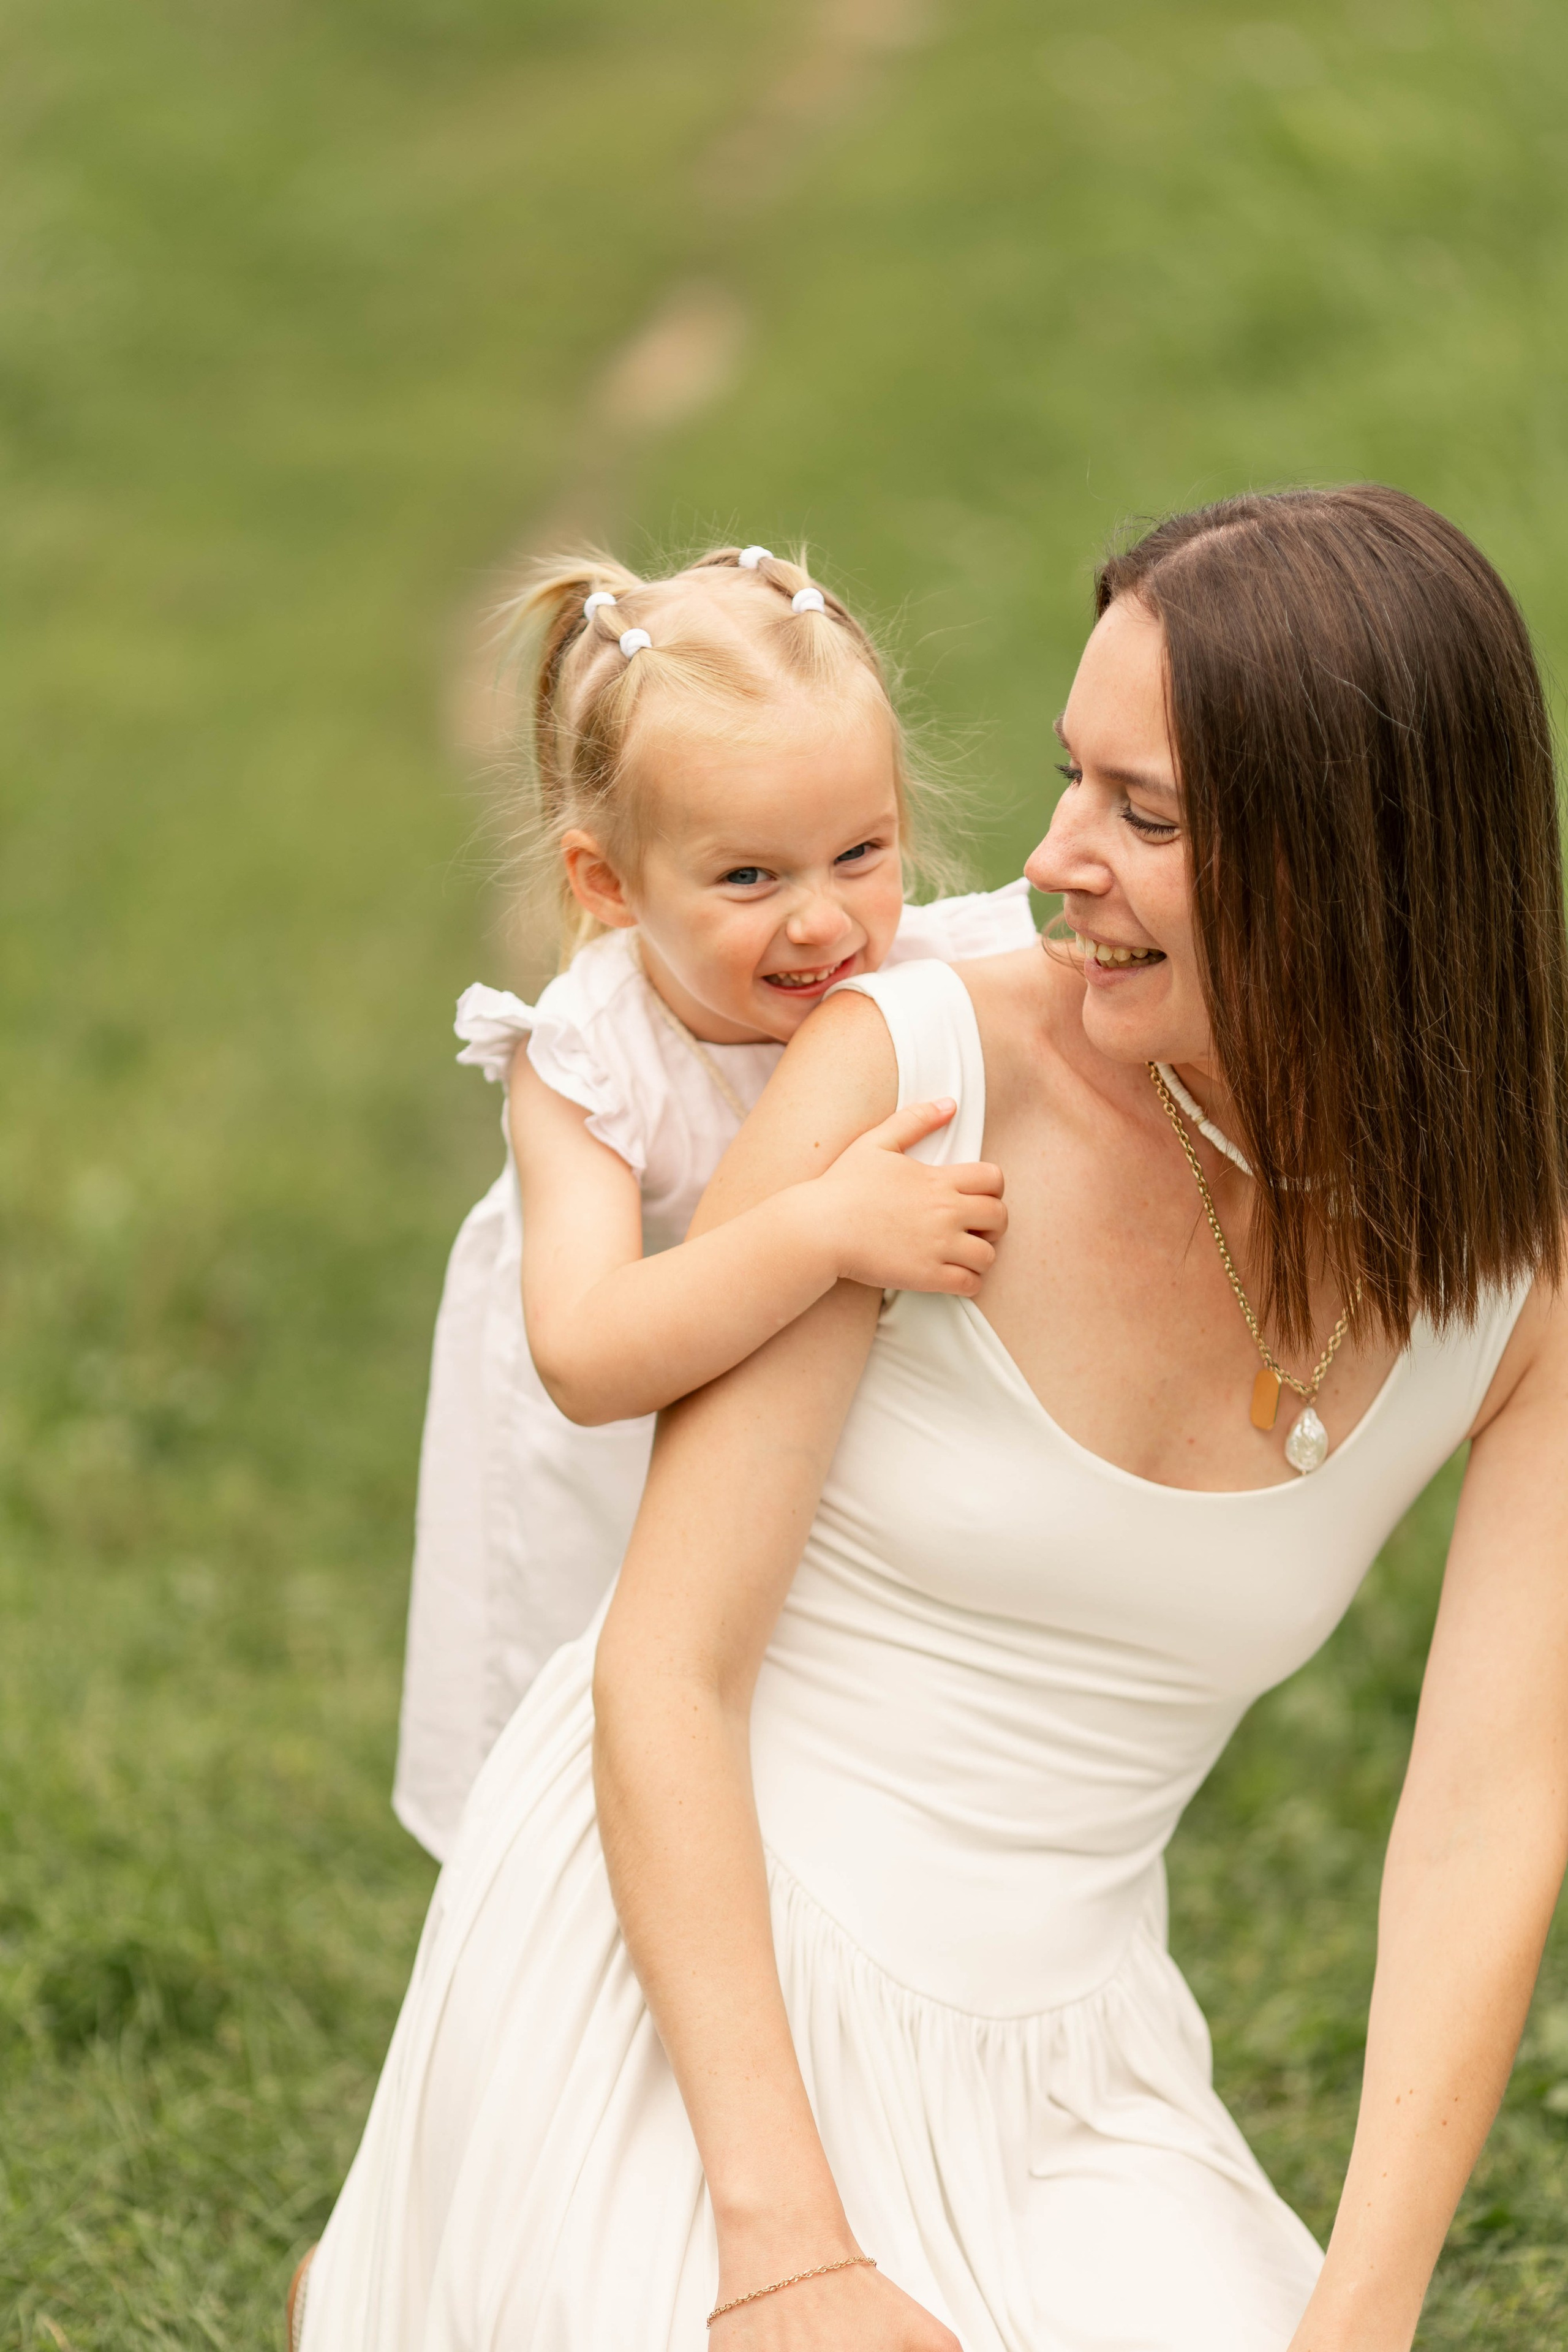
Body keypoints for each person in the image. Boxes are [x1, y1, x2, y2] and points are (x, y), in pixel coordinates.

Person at [295, 488, 1568, 2352]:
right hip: (685, 1965)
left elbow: (1490, 1803)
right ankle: (419, 2249)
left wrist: (1359, 2318)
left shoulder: (1519, 1268)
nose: (1055, 861)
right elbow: (665, 1674)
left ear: (1353, 866)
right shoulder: (906, 1076)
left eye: (1143, 815)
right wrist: (789, 2253)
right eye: (1073, 778)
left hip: (1076, 2062)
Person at [393, 543, 1034, 1861]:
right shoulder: (587, 1062)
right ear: (608, 884)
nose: (821, 923)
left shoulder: (931, 969)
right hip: (605, 1479)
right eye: (749, 879)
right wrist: (820, 1231)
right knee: (598, 1788)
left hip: (825, 1460)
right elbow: (580, 1354)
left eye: (860, 852)